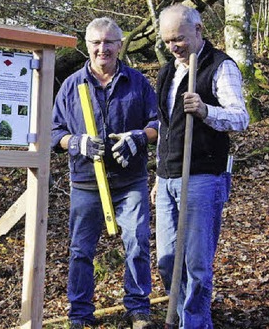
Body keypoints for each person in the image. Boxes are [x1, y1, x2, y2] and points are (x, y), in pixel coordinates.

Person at [51, 17, 158, 329]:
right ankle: (80, 315)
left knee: (137, 242)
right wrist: (77, 142)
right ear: (87, 47)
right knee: (81, 251)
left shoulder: (138, 83)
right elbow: (54, 132)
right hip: (86, 183)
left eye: (109, 42)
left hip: (130, 182)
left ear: (119, 45)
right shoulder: (72, 86)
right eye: (96, 43)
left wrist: (139, 138)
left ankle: (138, 310)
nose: (102, 48)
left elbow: (158, 124)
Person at [152, 4, 250, 328]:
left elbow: (240, 118)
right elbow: (165, 127)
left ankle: (194, 323)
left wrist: (207, 111)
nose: (173, 47)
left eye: (179, 38)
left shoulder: (221, 66)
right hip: (168, 178)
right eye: (167, 41)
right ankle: (182, 316)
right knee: (168, 262)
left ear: (198, 30)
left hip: (203, 177)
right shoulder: (167, 71)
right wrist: (158, 175)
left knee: (196, 264)